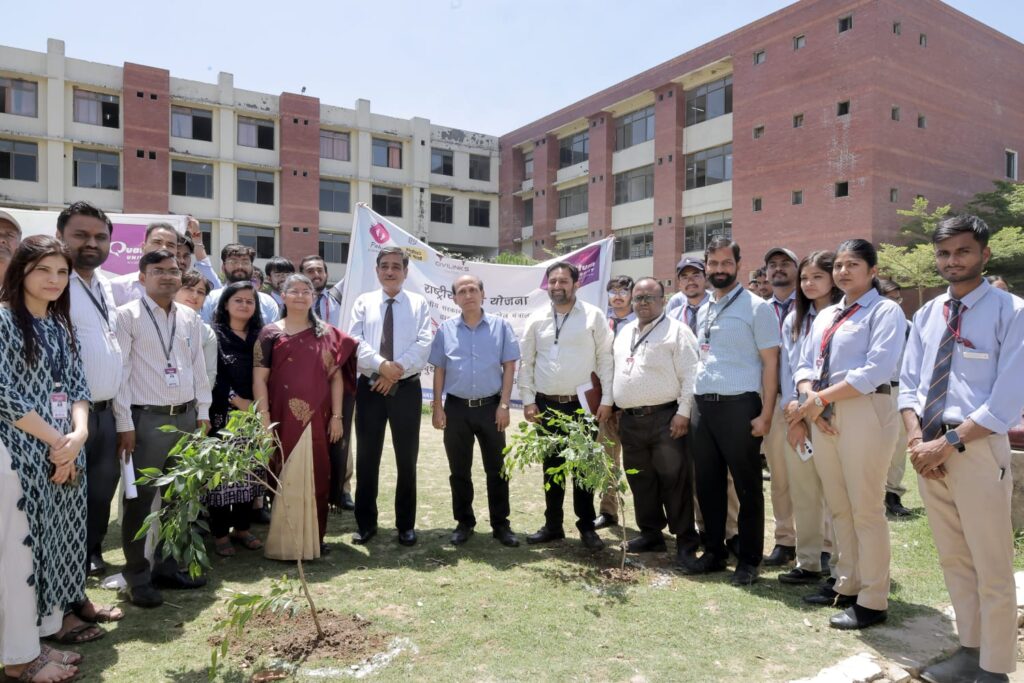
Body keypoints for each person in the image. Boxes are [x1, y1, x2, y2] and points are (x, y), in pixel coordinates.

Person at [901, 216, 1024, 683]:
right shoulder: (928, 313)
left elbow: (1008, 398)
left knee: (991, 564)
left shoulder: (1012, 311)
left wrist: (946, 444)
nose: (952, 261)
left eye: (962, 251)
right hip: (929, 452)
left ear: (984, 254)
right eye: (944, 253)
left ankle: (995, 668)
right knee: (954, 559)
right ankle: (970, 651)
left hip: (975, 450)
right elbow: (909, 384)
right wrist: (917, 442)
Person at [793, 239, 906, 630]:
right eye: (839, 265)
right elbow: (805, 363)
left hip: (864, 411)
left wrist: (819, 399)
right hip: (822, 412)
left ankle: (873, 598)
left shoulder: (885, 311)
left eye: (852, 264)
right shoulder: (827, 315)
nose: (842, 272)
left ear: (873, 271)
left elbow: (875, 370)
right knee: (839, 506)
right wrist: (811, 397)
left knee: (866, 508)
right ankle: (848, 583)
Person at [0, 236, 90, 681]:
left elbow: (78, 388)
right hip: (15, 454)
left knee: (50, 547)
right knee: (19, 554)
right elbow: (5, 395)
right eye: (43, 270)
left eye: (62, 272)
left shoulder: (58, 325)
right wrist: (59, 441)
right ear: (21, 271)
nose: (54, 280)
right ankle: (18, 659)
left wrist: (78, 435)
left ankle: (34, 641)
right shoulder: (3, 320)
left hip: (61, 451)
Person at [114, 249, 212, 608]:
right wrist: (124, 423)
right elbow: (120, 373)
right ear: (143, 277)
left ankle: (168, 567)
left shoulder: (189, 317)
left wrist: (203, 412)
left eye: (174, 270)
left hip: (185, 418)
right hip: (145, 421)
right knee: (139, 502)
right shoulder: (126, 316)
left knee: (179, 498)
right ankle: (137, 577)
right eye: (159, 271)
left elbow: (198, 367)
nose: (168, 276)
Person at [687, 237, 780, 586]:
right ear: (706, 266)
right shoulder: (706, 307)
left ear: (739, 265)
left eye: (726, 263)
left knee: (747, 486)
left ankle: (750, 560)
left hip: (740, 406)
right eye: (713, 263)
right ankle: (714, 552)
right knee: (708, 484)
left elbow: (771, 364)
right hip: (703, 406)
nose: (720, 269)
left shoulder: (758, 308)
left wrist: (766, 414)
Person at [253, 274, 357, 551]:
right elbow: (259, 379)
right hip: (281, 417)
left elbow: (336, 378)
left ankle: (314, 541)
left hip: (319, 419)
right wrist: (264, 419)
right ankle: (284, 544)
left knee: (318, 475)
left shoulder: (328, 334)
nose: (300, 295)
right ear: (282, 295)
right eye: (294, 290)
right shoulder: (269, 333)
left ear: (314, 297)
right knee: (284, 473)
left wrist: (337, 417)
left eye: (306, 291)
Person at [518, 261, 614, 550]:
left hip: (583, 406)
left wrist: (607, 400)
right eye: (553, 281)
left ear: (576, 284)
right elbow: (527, 363)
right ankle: (553, 526)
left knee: (584, 468)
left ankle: (586, 527)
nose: (557, 286)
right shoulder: (536, 318)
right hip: (547, 405)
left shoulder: (593, 316)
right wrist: (528, 400)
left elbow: (606, 359)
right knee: (552, 467)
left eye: (563, 281)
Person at [611, 277, 700, 569]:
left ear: (663, 300)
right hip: (631, 421)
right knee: (640, 479)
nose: (643, 303)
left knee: (674, 480)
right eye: (638, 298)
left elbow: (691, 374)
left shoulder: (677, 331)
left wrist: (683, 413)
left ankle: (685, 540)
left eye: (650, 297)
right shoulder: (624, 331)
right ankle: (651, 534)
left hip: (666, 418)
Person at [55, 202, 124, 578]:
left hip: (106, 411)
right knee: (66, 489)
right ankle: (65, 561)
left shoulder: (105, 285)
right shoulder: (54, 284)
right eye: (80, 235)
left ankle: (91, 550)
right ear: (60, 236)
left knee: (101, 488)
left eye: (100, 237)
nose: (91, 243)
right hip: (66, 413)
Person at [429, 274, 521, 547]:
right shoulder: (445, 330)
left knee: (497, 469)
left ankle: (501, 524)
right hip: (456, 408)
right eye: (462, 291)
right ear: (454, 298)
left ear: (483, 294)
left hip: (491, 408)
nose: (468, 295)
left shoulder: (500, 327)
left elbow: (509, 367)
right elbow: (439, 369)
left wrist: (504, 405)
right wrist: (437, 407)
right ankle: (464, 522)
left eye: (473, 289)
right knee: (459, 470)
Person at [349, 247, 432, 546]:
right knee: (367, 457)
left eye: (397, 266)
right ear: (377, 270)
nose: (390, 271)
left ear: (406, 272)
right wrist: (381, 365)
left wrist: (394, 371)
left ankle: (405, 525)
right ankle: (366, 524)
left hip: (406, 389)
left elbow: (424, 342)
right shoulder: (364, 302)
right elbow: (354, 341)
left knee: (406, 459)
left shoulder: (419, 303)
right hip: (370, 388)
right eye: (384, 266)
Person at [779, 251, 843, 587]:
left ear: (833, 278)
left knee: (837, 494)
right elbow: (788, 370)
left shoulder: (846, 314)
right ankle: (808, 562)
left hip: (833, 414)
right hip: (798, 416)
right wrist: (795, 418)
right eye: (804, 278)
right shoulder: (794, 319)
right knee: (804, 491)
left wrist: (815, 409)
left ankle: (839, 564)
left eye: (817, 276)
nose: (809, 283)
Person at [207, 282, 264, 557]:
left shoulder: (261, 336)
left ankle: (242, 528)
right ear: (226, 304)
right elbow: (211, 374)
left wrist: (257, 406)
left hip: (255, 416)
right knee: (222, 477)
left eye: (249, 301)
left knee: (248, 475)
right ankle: (220, 533)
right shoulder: (213, 334)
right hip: (224, 416)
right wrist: (237, 400)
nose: (244, 305)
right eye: (238, 300)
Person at [761, 247, 799, 568]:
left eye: (785, 263)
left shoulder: (813, 305)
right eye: (772, 265)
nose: (778, 269)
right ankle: (785, 540)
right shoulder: (760, 310)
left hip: (807, 402)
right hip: (772, 404)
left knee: (816, 475)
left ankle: (823, 544)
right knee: (780, 476)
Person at [594, 275, 635, 530]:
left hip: (634, 404)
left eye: (623, 291)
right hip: (606, 404)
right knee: (607, 461)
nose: (618, 296)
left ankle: (650, 520)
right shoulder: (601, 323)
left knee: (639, 464)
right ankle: (608, 512)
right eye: (613, 291)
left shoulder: (642, 321)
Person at [877, 278, 912, 518]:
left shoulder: (908, 326)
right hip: (872, 392)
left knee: (899, 445)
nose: (894, 304)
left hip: (900, 391)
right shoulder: (867, 324)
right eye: (888, 298)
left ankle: (893, 493)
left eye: (897, 299)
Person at [200, 244, 279, 324]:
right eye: (233, 262)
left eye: (245, 262)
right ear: (223, 268)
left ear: (252, 268)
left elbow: (274, 331)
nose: (239, 266)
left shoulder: (268, 302)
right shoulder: (210, 299)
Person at [110, 221, 180, 305]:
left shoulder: (185, 290)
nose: (164, 248)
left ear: (176, 251)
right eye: (157, 242)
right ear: (143, 247)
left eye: (170, 245)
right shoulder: (117, 287)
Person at [175, 270, 218, 390]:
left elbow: (209, 373)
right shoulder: (155, 322)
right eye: (188, 289)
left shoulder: (206, 332)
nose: (194, 295)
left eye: (200, 292)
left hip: (191, 399)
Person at [666, 257, 710, 334]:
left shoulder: (719, 308)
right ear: (679, 284)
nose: (690, 281)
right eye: (684, 277)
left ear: (705, 278)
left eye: (695, 275)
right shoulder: (673, 317)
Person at [175, 222, 221, 292]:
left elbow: (216, 288)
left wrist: (197, 240)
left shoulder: (196, 285)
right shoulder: (158, 284)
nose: (182, 261)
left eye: (186, 256)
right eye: (177, 255)